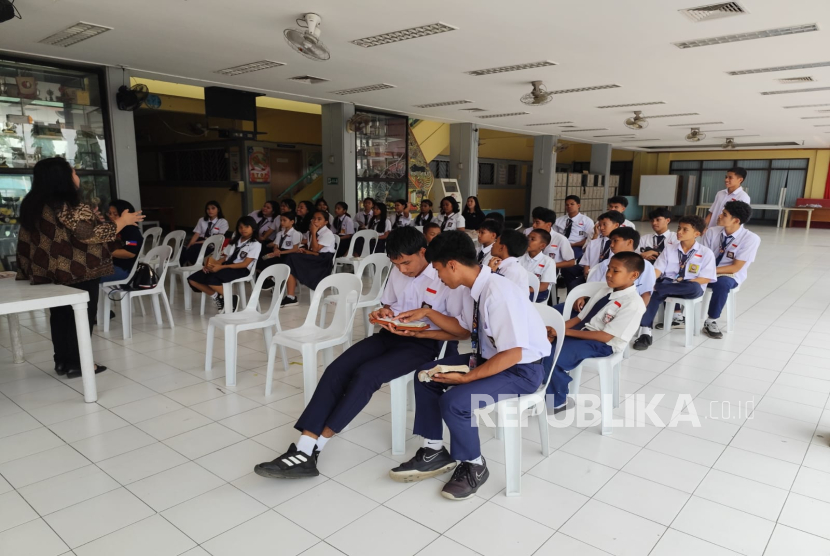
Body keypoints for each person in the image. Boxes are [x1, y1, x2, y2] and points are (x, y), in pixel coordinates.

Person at [253, 227, 470, 479]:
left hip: (426, 344)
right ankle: (303, 446)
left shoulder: (445, 277)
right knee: (336, 369)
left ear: (423, 252)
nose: (402, 269)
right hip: (391, 335)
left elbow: (461, 330)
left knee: (367, 375)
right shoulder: (398, 272)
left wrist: (424, 326)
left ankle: (315, 449)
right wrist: (383, 313)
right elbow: (389, 304)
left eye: (406, 263)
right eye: (396, 264)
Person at [388, 231, 549, 500]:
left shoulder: (499, 294)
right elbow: (463, 330)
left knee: (456, 402)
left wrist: (467, 378)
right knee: (426, 375)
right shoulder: (470, 288)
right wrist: (424, 322)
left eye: (438, 270)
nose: (437, 276)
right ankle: (434, 449)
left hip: (522, 370)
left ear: (452, 264)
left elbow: (513, 353)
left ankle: (474, 465)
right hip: (489, 358)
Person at [17, 157, 144, 378]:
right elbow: (89, 236)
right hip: (79, 270)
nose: (77, 176)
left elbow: (26, 242)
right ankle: (80, 364)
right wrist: (121, 222)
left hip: (50, 272)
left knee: (59, 315)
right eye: (73, 172)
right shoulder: (71, 206)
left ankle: (62, 361)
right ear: (63, 178)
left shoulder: (33, 205)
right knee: (81, 317)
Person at [543, 251, 647, 410]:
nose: (609, 274)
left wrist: (563, 333)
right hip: (583, 332)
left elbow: (605, 336)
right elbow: (579, 319)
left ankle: (558, 400)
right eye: (609, 269)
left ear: (633, 275)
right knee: (539, 345)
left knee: (553, 356)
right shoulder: (605, 290)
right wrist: (556, 329)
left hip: (602, 344)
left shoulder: (633, 304)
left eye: (615, 271)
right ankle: (539, 389)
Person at [633, 215, 717, 350]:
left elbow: (705, 278)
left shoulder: (706, 253)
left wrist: (660, 286)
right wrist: (650, 282)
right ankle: (645, 332)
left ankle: (659, 288)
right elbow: (658, 270)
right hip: (667, 284)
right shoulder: (669, 249)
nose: (679, 232)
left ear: (696, 234)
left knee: (693, 287)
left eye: (685, 230)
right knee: (652, 293)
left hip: (689, 286)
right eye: (679, 228)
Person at [700, 201, 760, 339]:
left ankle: (711, 321)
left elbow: (735, 267)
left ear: (736, 220)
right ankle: (678, 314)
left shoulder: (750, 239)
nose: (719, 216)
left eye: (724, 214)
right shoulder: (712, 232)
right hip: (707, 270)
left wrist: (708, 271)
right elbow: (703, 257)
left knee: (723, 284)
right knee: (682, 275)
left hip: (729, 275)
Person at [188, 216, 260, 313]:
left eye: (246, 227)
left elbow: (244, 264)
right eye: (240, 227)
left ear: (253, 228)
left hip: (241, 270)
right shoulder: (235, 240)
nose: (243, 229)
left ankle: (232, 298)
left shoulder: (255, 244)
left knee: (211, 279)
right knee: (192, 279)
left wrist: (221, 267)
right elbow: (225, 258)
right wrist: (211, 265)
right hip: (227, 265)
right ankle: (218, 297)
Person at [279, 210, 338, 307]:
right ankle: (290, 296)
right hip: (316, 257)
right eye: (314, 218)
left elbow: (316, 250)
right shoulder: (313, 231)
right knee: (290, 259)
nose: (315, 221)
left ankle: (291, 297)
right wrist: (305, 251)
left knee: (291, 258)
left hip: (323, 261)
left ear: (326, 222)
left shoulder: (327, 233)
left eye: (319, 219)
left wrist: (313, 233)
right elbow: (313, 251)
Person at [588, 227, 655, 307]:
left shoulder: (645, 265)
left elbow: (646, 294)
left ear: (629, 242)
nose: (611, 245)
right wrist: (583, 297)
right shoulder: (605, 263)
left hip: (629, 306)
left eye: (615, 241)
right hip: (601, 303)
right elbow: (591, 285)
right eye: (610, 241)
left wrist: (639, 313)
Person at [566, 211, 624, 292]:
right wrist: (587, 275)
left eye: (605, 224)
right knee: (574, 285)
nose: (601, 228)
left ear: (616, 225)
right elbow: (586, 263)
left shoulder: (621, 244)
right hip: (592, 276)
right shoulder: (594, 243)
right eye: (600, 225)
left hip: (609, 278)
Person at [101, 199, 143, 284]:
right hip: (112, 265)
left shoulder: (131, 231)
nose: (111, 216)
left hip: (124, 269)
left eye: (115, 214)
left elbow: (130, 252)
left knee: (89, 278)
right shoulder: (114, 229)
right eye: (109, 213)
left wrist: (105, 252)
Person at [257, 210, 302, 287]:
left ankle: (275, 280)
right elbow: (276, 245)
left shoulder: (295, 234)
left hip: (289, 254)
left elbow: (295, 249)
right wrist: (275, 250)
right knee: (262, 259)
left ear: (292, 222)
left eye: (284, 220)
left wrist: (280, 253)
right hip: (278, 253)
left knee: (281, 262)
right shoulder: (279, 233)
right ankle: (271, 278)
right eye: (281, 220)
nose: (282, 222)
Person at [180, 200, 228, 266]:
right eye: (208, 209)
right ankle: (182, 265)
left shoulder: (223, 222)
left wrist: (196, 243)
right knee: (183, 249)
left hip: (212, 243)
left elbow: (217, 238)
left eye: (213, 208)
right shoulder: (202, 220)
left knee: (194, 249)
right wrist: (189, 245)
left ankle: (191, 264)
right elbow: (197, 234)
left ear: (218, 209)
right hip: (199, 239)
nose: (210, 211)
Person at [521, 229, 558, 303]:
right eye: (528, 237)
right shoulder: (519, 258)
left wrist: (523, 289)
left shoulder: (548, 262)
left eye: (532, 239)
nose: (528, 241)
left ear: (542, 246)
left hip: (537, 293)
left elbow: (543, 286)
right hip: (520, 290)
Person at [555, 195, 594, 261]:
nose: (569, 206)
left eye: (572, 204)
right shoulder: (559, 220)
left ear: (578, 206)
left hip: (577, 247)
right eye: (567, 205)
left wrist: (574, 244)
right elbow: (554, 235)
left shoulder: (586, 220)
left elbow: (589, 238)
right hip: (560, 245)